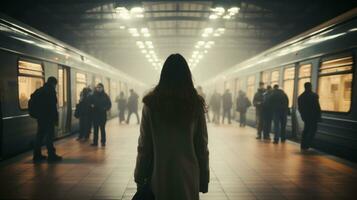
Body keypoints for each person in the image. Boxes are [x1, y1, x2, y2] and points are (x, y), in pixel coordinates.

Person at [134, 54, 209, 200]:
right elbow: (202, 146)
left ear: (163, 75)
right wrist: (204, 178)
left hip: (159, 175)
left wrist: (140, 174)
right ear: (187, 76)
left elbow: (144, 146)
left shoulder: (151, 104)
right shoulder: (195, 104)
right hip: (188, 175)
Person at [33, 76, 62, 162]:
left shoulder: (40, 90)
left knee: (39, 136)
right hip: (49, 118)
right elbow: (53, 106)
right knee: (49, 137)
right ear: (53, 83)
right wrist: (55, 119)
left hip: (40, 118)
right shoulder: (51, 91)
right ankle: (51, 155)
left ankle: (37, 155)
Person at [298, 82, 321, 151]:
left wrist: (303, 115)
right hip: (313, 116)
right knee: (313, 130)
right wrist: (319, 116)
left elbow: (300, 108)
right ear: (310, 87)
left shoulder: (301, 96)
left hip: (306, 117)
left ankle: (303, 145)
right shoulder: (314, 95)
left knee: (306, 130)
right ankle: (307, 144)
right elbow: (317, 107)